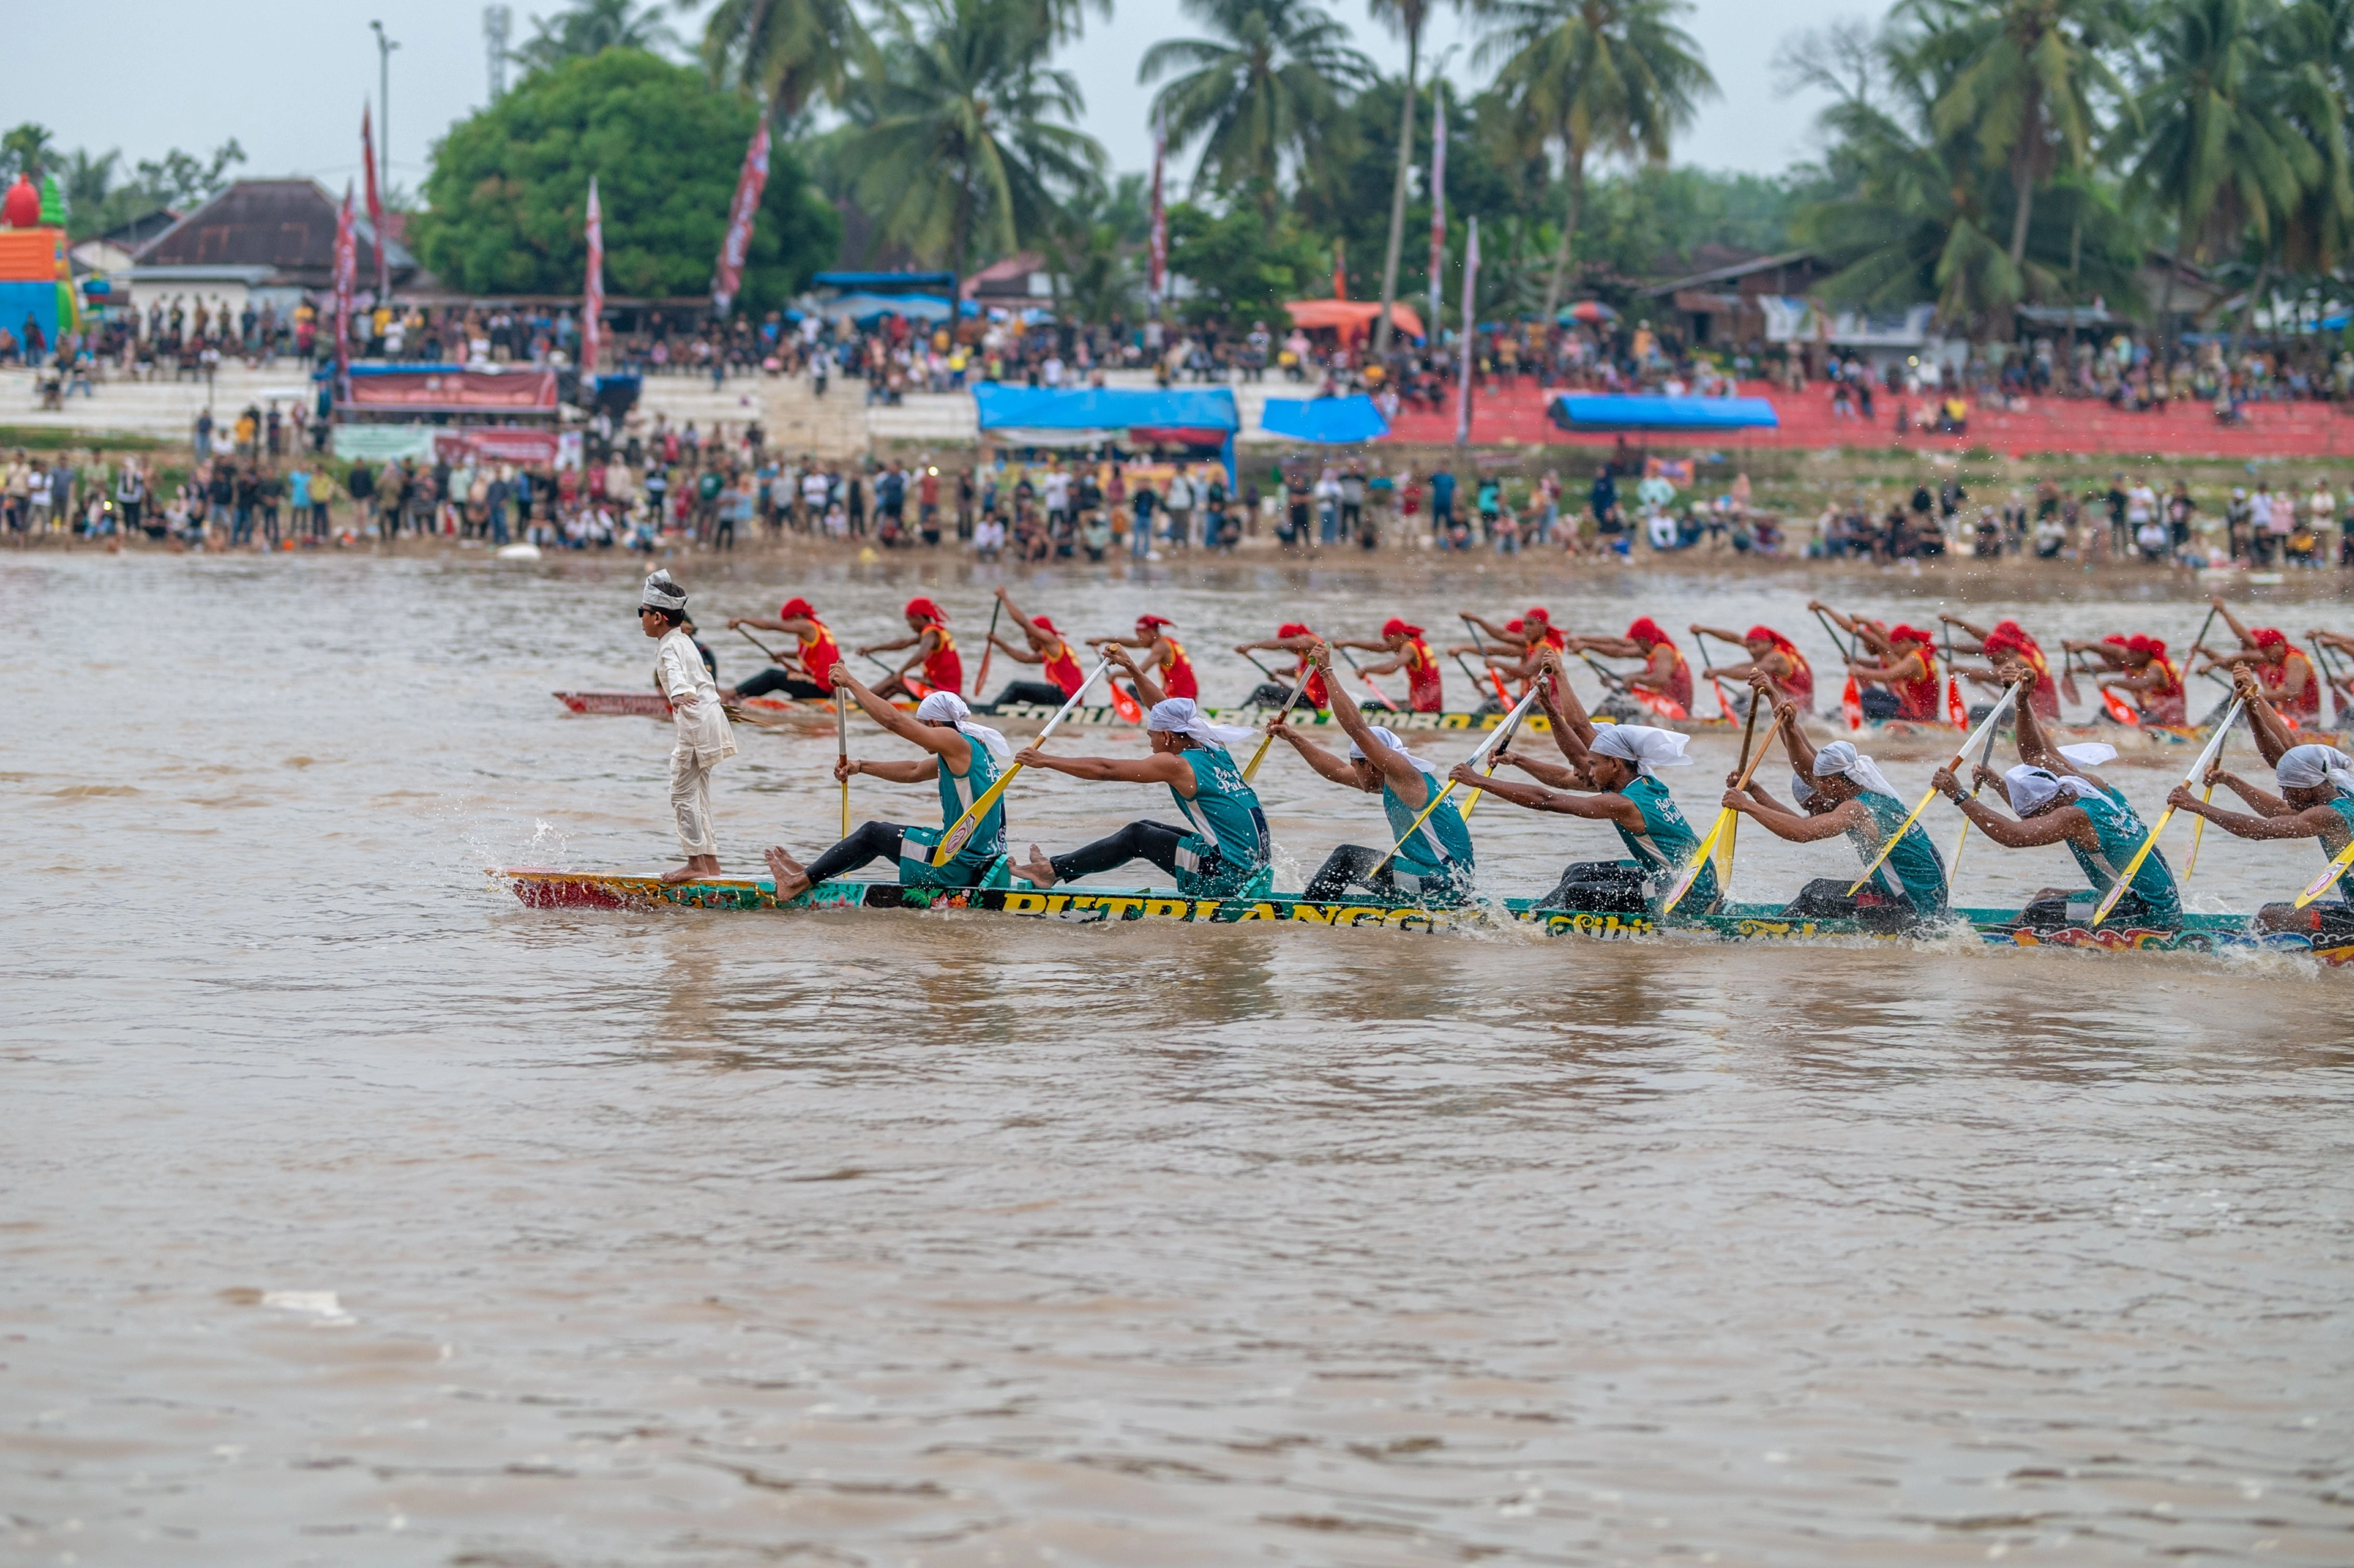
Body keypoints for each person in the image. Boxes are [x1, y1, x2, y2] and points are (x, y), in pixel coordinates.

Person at [1465, 649, 1715, 914]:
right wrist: (1527, 743)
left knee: (1577, 892)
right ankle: (1546, 915)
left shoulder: (1622, 802)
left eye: (1594, 764)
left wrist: (1479, 781)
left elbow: (1546, 799)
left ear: (1615, 763)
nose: (1587, 771)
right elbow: (1566, 773)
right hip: (1694, 879)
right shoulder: (1642, 779)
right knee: (1577, 872)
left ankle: (1531, 923)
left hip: (1685, 893)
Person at [1929, 675, 2181, 930]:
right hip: (2148, 901)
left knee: (2042, 909)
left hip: (2148, 916)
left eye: (2037, 816)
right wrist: (2022, 701)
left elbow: (2012, 835)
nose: (2038, 823)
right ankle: (2003, 934)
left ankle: (1997, 940)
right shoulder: (2090, 786)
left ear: (2049, 805)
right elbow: (2037, 754)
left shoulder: (2074, 818)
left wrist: (1959, 795)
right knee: (2047, 895)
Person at [1011, 677, 1274, 900]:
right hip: (1252, 868)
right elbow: (1166, 710)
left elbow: (1106, 770)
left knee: (1137, 836)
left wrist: (1046, 761)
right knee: (1148, 827)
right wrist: (1132, 669)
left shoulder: (1176, 765)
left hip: (1225, 877)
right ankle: (1055, 868)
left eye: (1151, 737)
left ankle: (1048, 873)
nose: (1150, 745)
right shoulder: (1215, 746)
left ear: (1167, 737)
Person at [1719, 677, 1949, 927]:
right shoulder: (1869, 790)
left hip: (1913, 908)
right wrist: (1782, 710)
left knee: (1815, 896)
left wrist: (1747, 805)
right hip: (1922, 899)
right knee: (1818, 890)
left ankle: (1767, 931)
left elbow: (1803, 832)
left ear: (1839, 781)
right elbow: (1805, 763)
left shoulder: (1857, 808)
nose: (1819, 787)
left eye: (1823, 783)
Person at [763, 676, 1013, 902]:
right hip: (981, 860)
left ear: (934, 723)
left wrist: (850, 683)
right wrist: (860, 766)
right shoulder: (972, 749)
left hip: (957, 864)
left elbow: (893, 721)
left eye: (923, 725)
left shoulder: (953, 740)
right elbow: (914, 770)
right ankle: (812, 874)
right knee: (881, 838)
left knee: (873, 833)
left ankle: (797, 883)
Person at [1272, 644, 1475, 905]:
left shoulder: (1404, 774)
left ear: (1369, 763)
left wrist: (1326, 672)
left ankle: (1308, 915)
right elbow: (1334, 772)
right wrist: (1293, 737)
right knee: (1365, 863)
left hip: (1444, 883)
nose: (1352, 772)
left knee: (1347, 857)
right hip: (1452, 882)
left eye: (1355, 765)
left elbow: (1357, 728)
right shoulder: (1394, 780)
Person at [2165, 666, 2354, 934]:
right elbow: (2288, 757)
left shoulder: (2328, 815)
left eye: (2288, 789)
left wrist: (2197, 806)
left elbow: (2259, 830)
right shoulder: (2340, 789)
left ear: (2309, 788)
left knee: (2271, 917)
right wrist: (2252, 705)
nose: (2285, 796)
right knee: (2274, 908)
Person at [639, 570, 734, 884]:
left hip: (696, 724)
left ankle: (696, 863)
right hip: (709, 720)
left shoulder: (669, 647)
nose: (640, 618)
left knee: (681, 794)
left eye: (643, 613)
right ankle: (709, 864)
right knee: (698, 794)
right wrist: (682, 693)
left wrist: (679, 694)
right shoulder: (685, 640)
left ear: (658, 618)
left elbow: (677, 675)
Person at [2196, 598, 2319, 719]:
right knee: (2237, 696)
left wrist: (2253, 694)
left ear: (2280, 645)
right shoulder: (2269, 661)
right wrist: (2206, 652)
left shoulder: (2294, 659)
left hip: (2303, 720)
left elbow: (2292, 694)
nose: (2265, 656)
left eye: (2248, 648)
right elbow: (2230, 666)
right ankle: (2211, 728)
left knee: (2247, 699)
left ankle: (2214, 731)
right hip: (2281, 713)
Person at [1813, 603, 1939, 721]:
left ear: (1905, 642)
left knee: (1862, 704)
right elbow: (1880, 666)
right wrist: (1857, 661)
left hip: (1915, 715)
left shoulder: (1913, 658)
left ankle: (1835, 722)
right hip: (1909, 706)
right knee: (1869, 694)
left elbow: (1888, 675)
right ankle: (1828, 718)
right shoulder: (1920, 653)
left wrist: (1859, 671)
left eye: (1895, 647)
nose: (1894, 651)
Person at [983, 587, 1092, 708]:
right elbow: (1024, 658)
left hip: (1065, 697)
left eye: (1029, 637)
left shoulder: (1051, 641)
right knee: (1022, 691)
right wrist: (999, 642)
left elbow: (1024, 622)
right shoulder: (1055, 650)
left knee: (1016, 688)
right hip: (1070, 700)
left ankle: (990, 713)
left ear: (1039, 635)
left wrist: (1005, 599)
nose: (1028, 642)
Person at [1565, 617, 1695, 717]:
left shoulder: (1663, 651)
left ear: (1644, 639)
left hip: (1675, 709)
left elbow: (1661, 679)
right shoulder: (1653, 650)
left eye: (1636, 641)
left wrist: (1634, 679)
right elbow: (1619, 648)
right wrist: (1585, 643)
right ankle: (1596, 721)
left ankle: (1592, 724)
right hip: (1667, 705)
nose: (1634, 644)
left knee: (1618, 699)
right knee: (1622, 694)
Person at [1942, 615, 2060, 720]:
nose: (1994, 663)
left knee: (1976, 715)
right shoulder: (2024, 647)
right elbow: (1985, 641)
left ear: (2004, 651)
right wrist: (1956, 623)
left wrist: (1958, 668)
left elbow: (1990, 674)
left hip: (2042, 718)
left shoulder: (2021, 662)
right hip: (2045, 714)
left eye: (1993, 659)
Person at [726, 596, 841, 701]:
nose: (790, 626)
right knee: (783, 676)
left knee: (772, 676)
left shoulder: (807, 626)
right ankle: (742, 696)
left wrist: (743, 620)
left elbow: (772, 626)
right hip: (828, 686)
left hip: (820, 688)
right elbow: (813, 655)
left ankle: (730, 695)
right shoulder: (820, 628)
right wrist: (784, 654)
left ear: (797, 616)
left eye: (789, 622)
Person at [1691, 622, 1814, 712]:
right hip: (1785, 699)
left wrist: (1718, 672)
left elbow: (1752, 671)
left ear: (1767, 643)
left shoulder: (1777, 657)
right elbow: (1735, 638)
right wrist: (1704, 630)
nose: (1751, 651)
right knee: (1747, 698)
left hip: (1798, 709)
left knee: (1747, 700)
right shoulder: (1768, 647)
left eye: (1755, 646)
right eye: (1749, 647)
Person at [2067, 633, 2186, 725]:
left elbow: (2142, 683)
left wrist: (2111, 682)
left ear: (2144, 654)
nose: (2128, 658)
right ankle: (2091, 733)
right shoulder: (2135, 662)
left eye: (2132, 654)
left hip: (2167, 722)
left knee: (2128, 722)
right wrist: (2085, 650)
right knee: (2106, 712)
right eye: (2128, 653)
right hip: (2149, 716)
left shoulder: (2157, 666)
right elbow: (2109, 659)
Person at [1334, 617, 1445, 713]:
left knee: (1367, 708)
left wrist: (1366, 670)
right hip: (1431, 705)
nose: (1388, 645)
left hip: (1422, 708)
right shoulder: (1418, 643)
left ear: (1400, 635)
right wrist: (1348, 643)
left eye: (1388, 640)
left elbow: (1391, 668)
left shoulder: (1409, 648)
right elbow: (1381, 647)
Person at [859, 595, 962, 698]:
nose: (910, 625)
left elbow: (921, 655)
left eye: (909, 620)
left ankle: (861, 701)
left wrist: (901, 672)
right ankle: (866, 703)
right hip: (945, 686)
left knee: (895, 682)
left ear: (917, 617)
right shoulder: (937, 630)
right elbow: (903, 643)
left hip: (942, 689)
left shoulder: (931, 633)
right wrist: (872, 649)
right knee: (894, 685)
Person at [1103, 613, 1198, 701]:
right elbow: (1135, 643)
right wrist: (1104, 639)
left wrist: (1114, 675)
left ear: (1150, 632)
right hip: (1189, 697)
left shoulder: (1161, 647)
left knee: (1131, 692)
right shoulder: (1167, 642)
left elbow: (1140, 671)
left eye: (1140, 636)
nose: (1139, 640)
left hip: (1179, 698)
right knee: (1134, 690)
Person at [1235, 623, 1330, 709]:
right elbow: (1301, 672)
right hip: (1306, 699)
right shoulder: (1306, 653)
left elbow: (1284, 643)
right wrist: (1279, 671)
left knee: (1263, 690)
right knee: (1269, 698)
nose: (1288, 650)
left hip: (1313, 701)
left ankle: (1240, 713)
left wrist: (1250, 646)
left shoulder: (1309, 641)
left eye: (1289, 648)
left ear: (1295, 636)